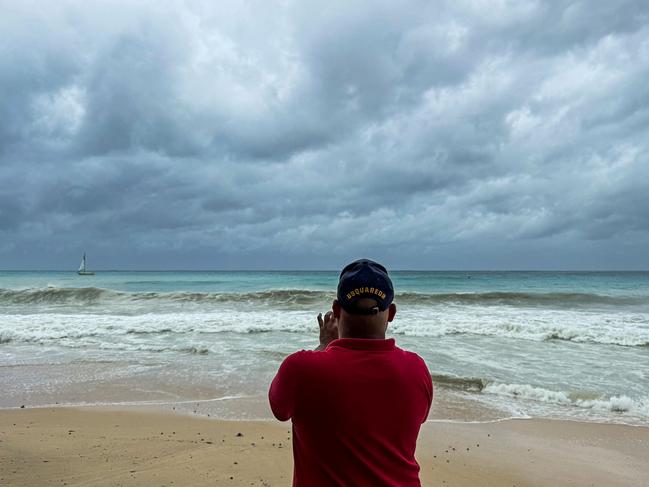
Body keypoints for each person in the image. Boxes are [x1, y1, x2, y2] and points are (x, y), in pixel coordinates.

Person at [269, 259, 433, 487]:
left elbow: (279, 408)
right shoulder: (416, 370)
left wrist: (325, 345)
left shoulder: (302, 369)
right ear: (392, 313)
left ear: (336, 310)